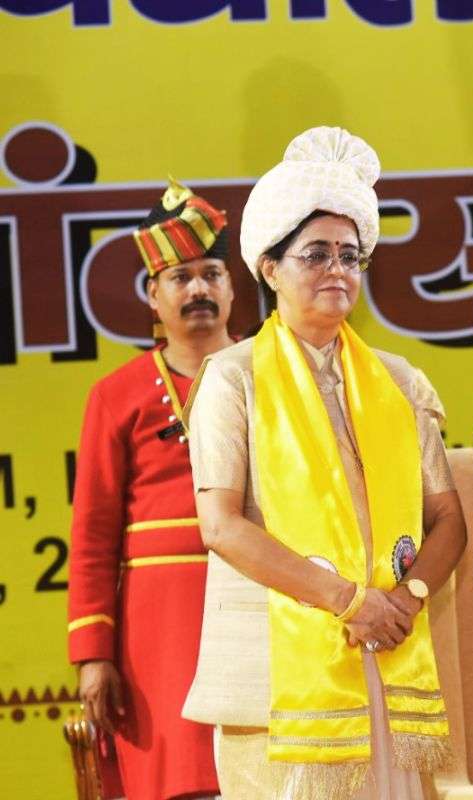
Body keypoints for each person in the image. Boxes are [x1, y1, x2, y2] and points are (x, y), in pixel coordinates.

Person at [180, 127, 466, 800]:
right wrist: (347, 600)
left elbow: (447, 517)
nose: (338, 269)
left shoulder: (399, 381)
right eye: (316, 254)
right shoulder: (233, 377)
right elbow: (220, 526)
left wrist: (405, 597)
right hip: (275, 675)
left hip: (389, 658)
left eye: (351, 255)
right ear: (269, 268)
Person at [67, 177, 234, 799]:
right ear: (152, 296)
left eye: (212, 274)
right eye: (181, 277)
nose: (198, 290)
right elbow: (91, 535)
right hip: (158, 627)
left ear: (233, 286)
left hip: (263, 600)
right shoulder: (115, 395)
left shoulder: (271, 377)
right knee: (176, 779)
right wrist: (92, 652)